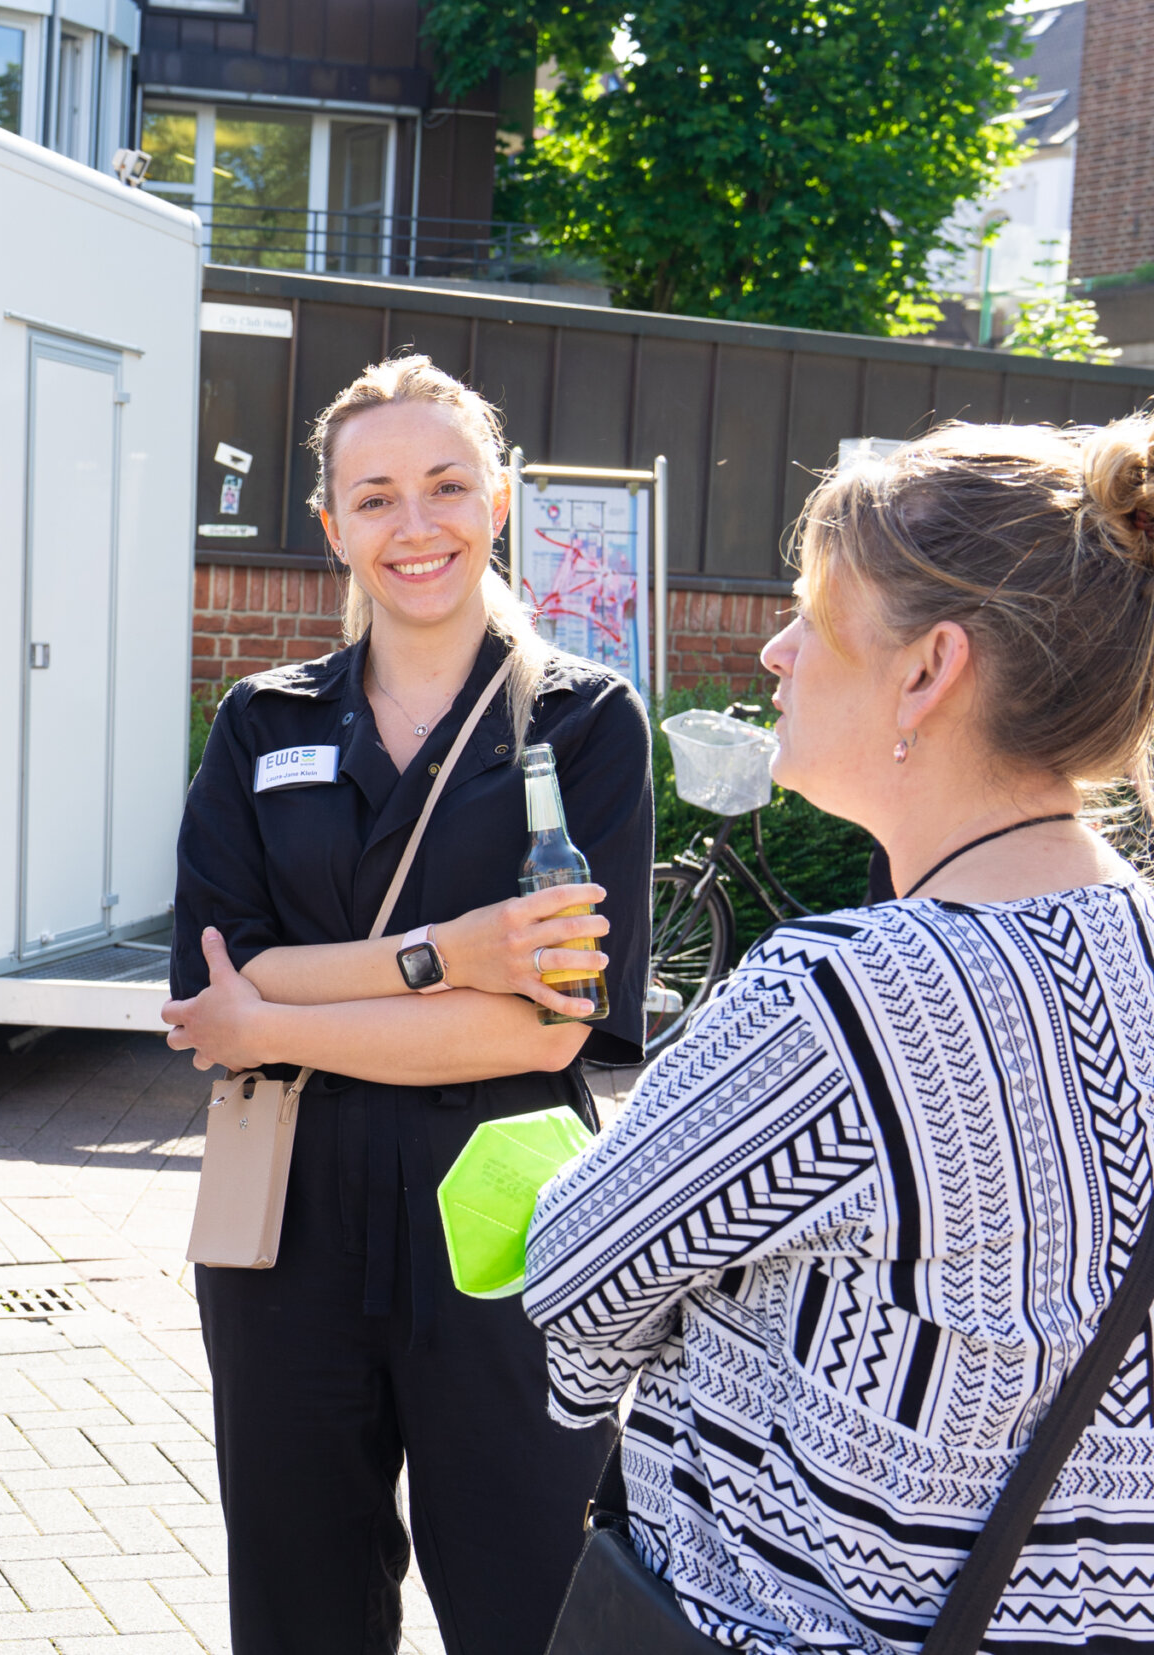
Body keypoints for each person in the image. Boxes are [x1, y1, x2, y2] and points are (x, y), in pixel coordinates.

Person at [527, 415, 1154, 1649]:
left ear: (928, 670)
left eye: (811, 615)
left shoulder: (845, 1000)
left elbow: (573, 1278)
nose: (775, 651)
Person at [162, 354, 654, 1655]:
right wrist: (457, 950)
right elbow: (213, 975)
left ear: (498, 500)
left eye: (445, 485)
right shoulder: (261, 722)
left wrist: (275, 1018)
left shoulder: (582, 722)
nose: (414, 523)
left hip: (503, 1211)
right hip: (286, 1221)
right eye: (374, 497)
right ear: (333, 526)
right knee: (298, 1607)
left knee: (527, 1602)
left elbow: (549, 1022)